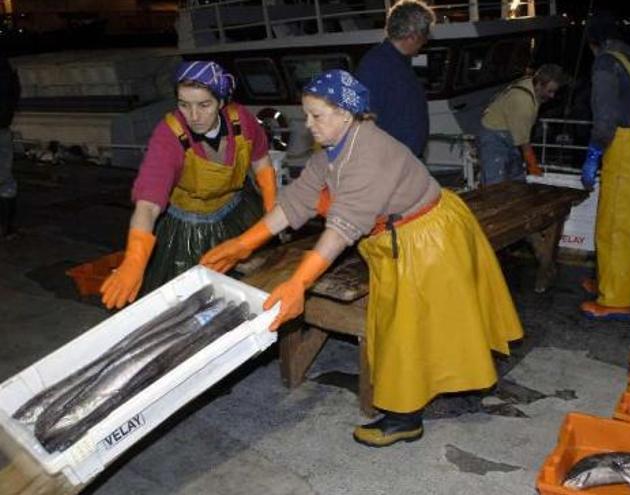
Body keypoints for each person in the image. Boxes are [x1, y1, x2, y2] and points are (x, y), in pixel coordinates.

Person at [200, 70, 523, 447]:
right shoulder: (336, 147)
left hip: (425, 237)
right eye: (307, 115)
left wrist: (298, 283)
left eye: (317, 116)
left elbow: (341, 229)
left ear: (347, 114)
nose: (309, 124)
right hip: (397, 235)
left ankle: (406, 418)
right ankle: (440, 391)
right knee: (422, 323)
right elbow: (299, 199)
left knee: (408, 329)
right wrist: (243, 243)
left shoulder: (368, 153)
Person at [100, 60, 277, 309]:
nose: (194, 116)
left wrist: (271, 212)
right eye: (184, 105)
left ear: (222, 102)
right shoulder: (168, 135)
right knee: (188, 303)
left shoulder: (243, 121)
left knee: (255, 290)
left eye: (204, 105)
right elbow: (148, 204)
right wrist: (135, 258)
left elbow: (261, 161)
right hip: (187, 228)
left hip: (238, 213)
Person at [579, 11, 630, 320]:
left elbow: (606, 116)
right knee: (628, 221)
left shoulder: (605, 63)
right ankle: (608, 282)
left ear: (593, 42)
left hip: (624, 146)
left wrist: (594, 152)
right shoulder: (629, 61)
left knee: (615, 225)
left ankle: (614, 300)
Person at [355, 0, 434, 157]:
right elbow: (363, 122)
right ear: (413, 37)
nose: (424, 44)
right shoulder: (375, 67)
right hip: (389, 166)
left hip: (405, 162)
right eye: (424, 39)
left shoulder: (398, 62)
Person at [478, 64, 569, 185]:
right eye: (550, 91)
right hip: (493, 137)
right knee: (495, 182)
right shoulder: (523, 101)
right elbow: (524, 142)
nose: (552, 96)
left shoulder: (532, 85)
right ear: (538, 84)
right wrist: (533, 166)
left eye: (554, 91)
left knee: (517, 179)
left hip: (510, 134)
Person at [0, 54, 20, 238]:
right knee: (5, 180)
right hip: (3, 127)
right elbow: (14, 93)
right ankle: (6, 227)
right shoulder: (8, 69)